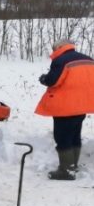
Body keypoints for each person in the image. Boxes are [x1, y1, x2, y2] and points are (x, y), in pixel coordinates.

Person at [35, 39, 94, 180]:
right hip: (83, 105)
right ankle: (73, 166)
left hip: (65, 106)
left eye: (55, 49)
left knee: (62, 137)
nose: (54, 52)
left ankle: (66, 170)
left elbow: (53, 81)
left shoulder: (61, 60)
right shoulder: (88, 59)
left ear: (60, 47)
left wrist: (43, 78)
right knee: (74, 135)